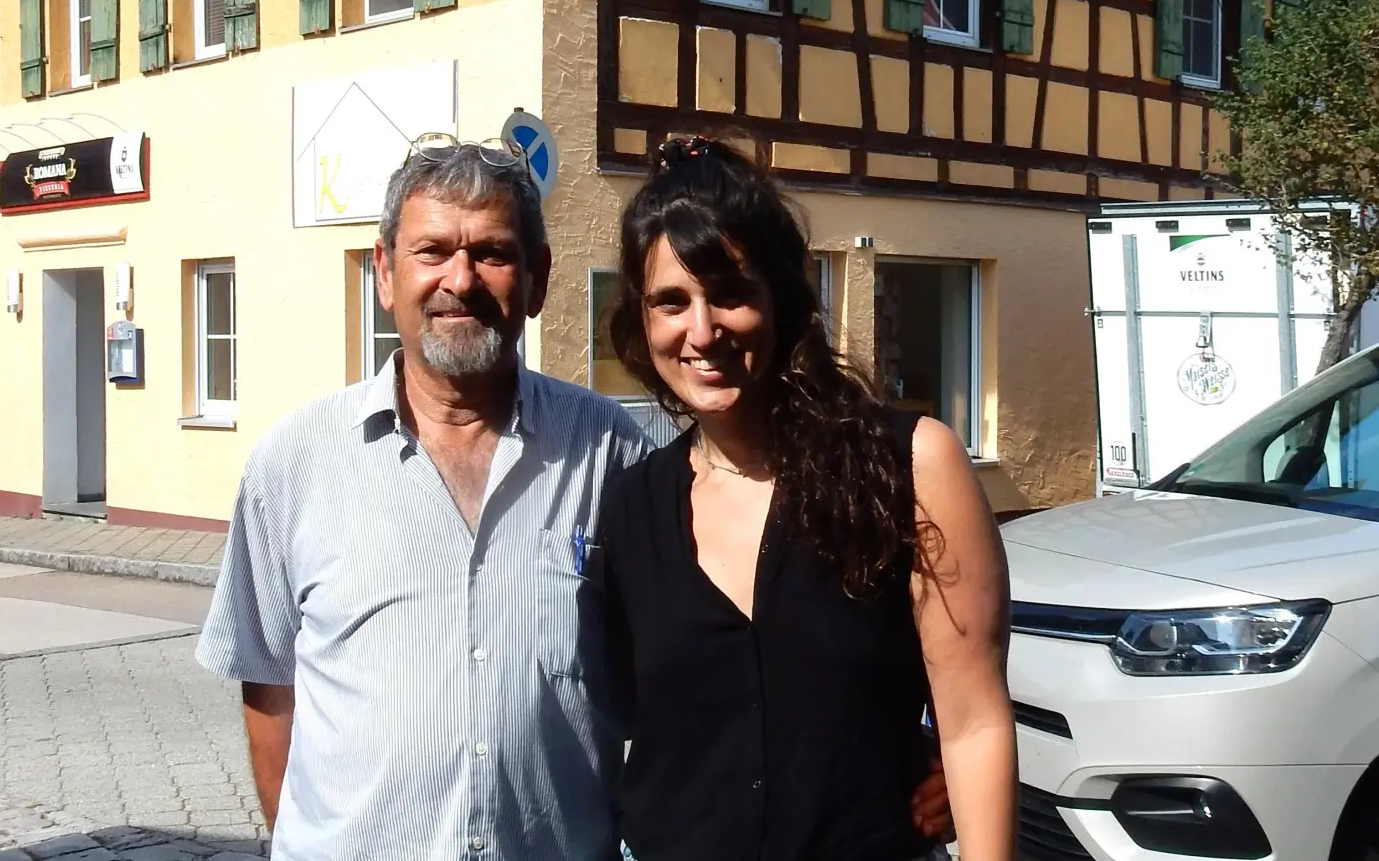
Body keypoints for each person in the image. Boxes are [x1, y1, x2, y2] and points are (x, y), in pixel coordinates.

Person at [194, 134, 955, 860]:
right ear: (385, 273)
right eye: (433, 251)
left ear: (538, 279)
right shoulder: (293, 466)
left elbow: (719, 665)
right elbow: (271, 687)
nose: (461, 280)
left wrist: (897, 748)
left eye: (492, 253)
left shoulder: (617, 457)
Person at [599, 136, 1016, 861]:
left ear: (782, 299)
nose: (702, 331)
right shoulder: (632, 506)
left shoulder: (908, 467)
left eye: (730, 293)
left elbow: (974, 725)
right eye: (672, 302)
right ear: (643, 322)